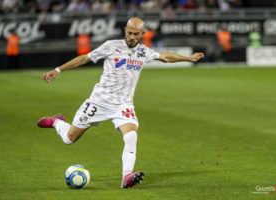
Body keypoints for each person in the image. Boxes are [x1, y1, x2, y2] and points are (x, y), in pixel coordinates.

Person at [37, 17, 205, 189]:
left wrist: (188, 59)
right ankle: (56, 122)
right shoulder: (111, 46)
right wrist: (57, 70)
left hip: (123, 105)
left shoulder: (143, 51)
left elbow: (165, 57)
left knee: (131, 135)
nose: (132, 37)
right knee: (69, 139)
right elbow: (85, 58)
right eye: (130, 33)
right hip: (99, 101)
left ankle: (126, 176)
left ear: (142, 34)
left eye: (136, 34)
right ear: (125, 30)